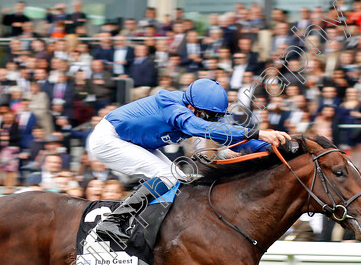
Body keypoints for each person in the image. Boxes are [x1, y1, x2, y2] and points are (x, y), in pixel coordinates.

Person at [87, 78, 290, 242]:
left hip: (137, 142)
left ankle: (148, 227)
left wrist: (277, 147)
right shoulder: (171, 105)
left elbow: (233, 134)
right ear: (191, 107)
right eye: (207, 115)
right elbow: (200, 128)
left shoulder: (201, 111)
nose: (210, 120)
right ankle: (112, 222)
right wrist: (258, 133)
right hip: (108, 139)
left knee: (178, 179)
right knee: (167, 176)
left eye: (215, 117)